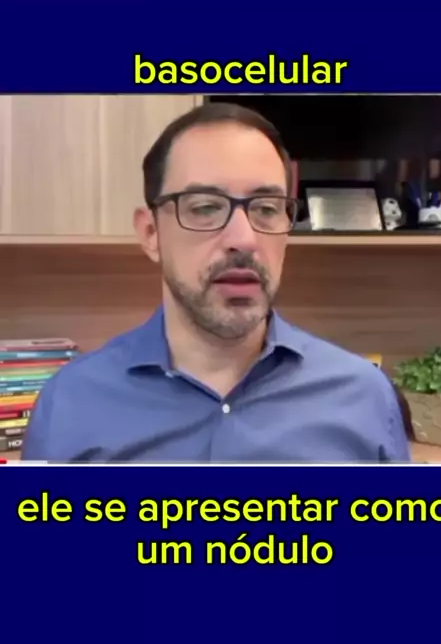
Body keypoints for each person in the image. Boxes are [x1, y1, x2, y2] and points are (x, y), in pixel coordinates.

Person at [22, 102, 411, 463]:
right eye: (205, 207)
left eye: (266, 209)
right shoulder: (70, 404)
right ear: (151, 234)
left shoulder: (365, 399)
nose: (243, 239)